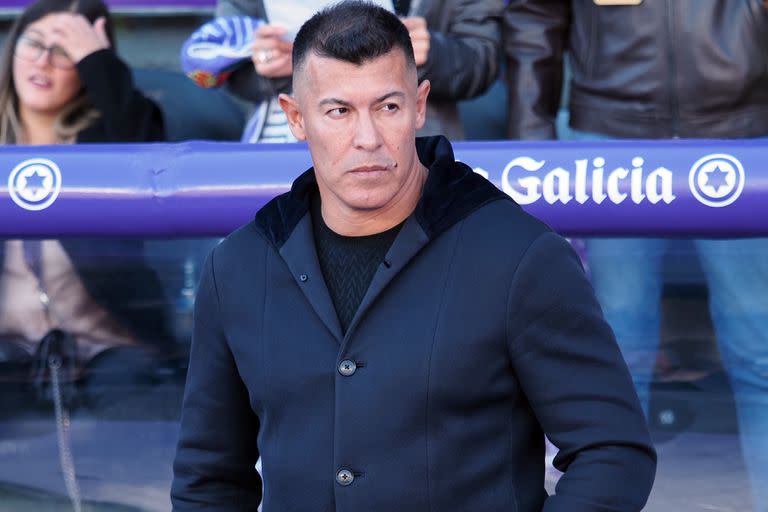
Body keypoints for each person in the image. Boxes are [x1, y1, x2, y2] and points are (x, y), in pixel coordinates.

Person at [171, 2, 655, 510]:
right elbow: (208, 478)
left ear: (419, 105)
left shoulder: (520, 256)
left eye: (388, 107)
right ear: (296, 117)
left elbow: (612, 451)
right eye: (338, 111)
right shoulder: (240, 266)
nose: (367, 139)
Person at [503, 0, 768, 509]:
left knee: (759, 350)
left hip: (741, 135)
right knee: (612, 354)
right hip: (610, 137)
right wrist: (531, 144)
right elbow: (534, 16)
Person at [0, 0, 173, 414]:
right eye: (35, 43)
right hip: (9, 351)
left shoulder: (109, 134)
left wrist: (98, 62)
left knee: (131, 413)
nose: (43, 61)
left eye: (64, 51)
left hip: (109, 347)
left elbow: (141, 148)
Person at [203, 0, 503, 141]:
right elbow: (218, 65)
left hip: (411, 139)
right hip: (281, 137)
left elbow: (484, 57)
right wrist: (266, 65)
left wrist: (432, 54)